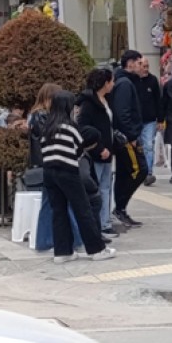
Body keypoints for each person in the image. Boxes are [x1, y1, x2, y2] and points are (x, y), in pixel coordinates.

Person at [41, 91, 116, 263]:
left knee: (58, 211)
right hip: (68, 171)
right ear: (67, 107)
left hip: (49, 173)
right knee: (83, 210)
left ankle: (62, 252)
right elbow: (79, 150)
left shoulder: (47, 127)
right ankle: (96, 250)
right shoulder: (70, 127)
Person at [30, 83, 83, 251]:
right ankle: (69, 239)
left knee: (53, 204)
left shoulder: (36, 116)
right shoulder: (43, 117)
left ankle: (49, 240)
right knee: (59, 203)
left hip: (47, 163)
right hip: (54, 163)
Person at [76, 69, 118, 240]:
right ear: (104, 83)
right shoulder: (88, 103)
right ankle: (97, 225)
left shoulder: (106, 100)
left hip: (109, 151)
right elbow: (84, 128)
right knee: (96, 188)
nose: (113, 84)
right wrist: (99, 148)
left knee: (106, 187)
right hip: (96, 153)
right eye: (111, 81)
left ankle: (105, 222)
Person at [110, 50, 149, 227]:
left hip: (127, 135)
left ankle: (121, 208)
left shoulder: (126, 81)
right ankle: (120, 207)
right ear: (130, 63)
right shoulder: (124, 83)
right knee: (139, 170)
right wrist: (132, 135)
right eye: (139, 63)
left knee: (126, 173)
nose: (142, 67)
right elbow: (122, 112)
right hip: (126, 138)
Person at [78, 126, 109, 245]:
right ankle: (95, 236)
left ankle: (96, 233)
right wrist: (94, 188)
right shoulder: (82, 156)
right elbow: (84, 177)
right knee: (96, 201)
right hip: (82, 190)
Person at [137, 58, 162, 186]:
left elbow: (158, 100)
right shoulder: (132, 80)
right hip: (135, 120)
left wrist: (160, 119)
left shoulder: (152, 80)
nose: (146, 69)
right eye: (144, 66)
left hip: (150, 121)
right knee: (136, 147)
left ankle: (148, 173)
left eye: (148, 66)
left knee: (148, 146)